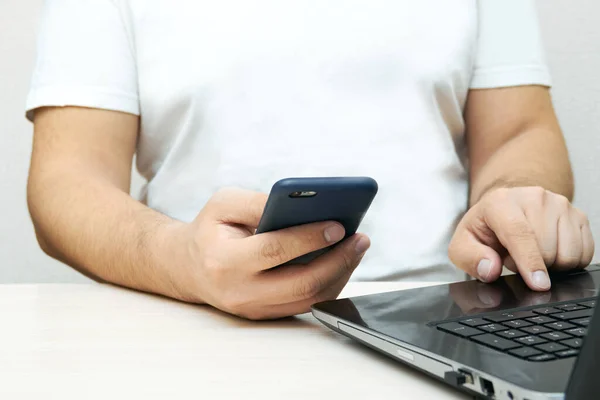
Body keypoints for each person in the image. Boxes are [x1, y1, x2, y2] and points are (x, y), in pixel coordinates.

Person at [26, 0, 594, 320]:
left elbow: (520, 131)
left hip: (445, 315)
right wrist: (180, 261)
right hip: (191, 315)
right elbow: (66, 181)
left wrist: (515, 197)